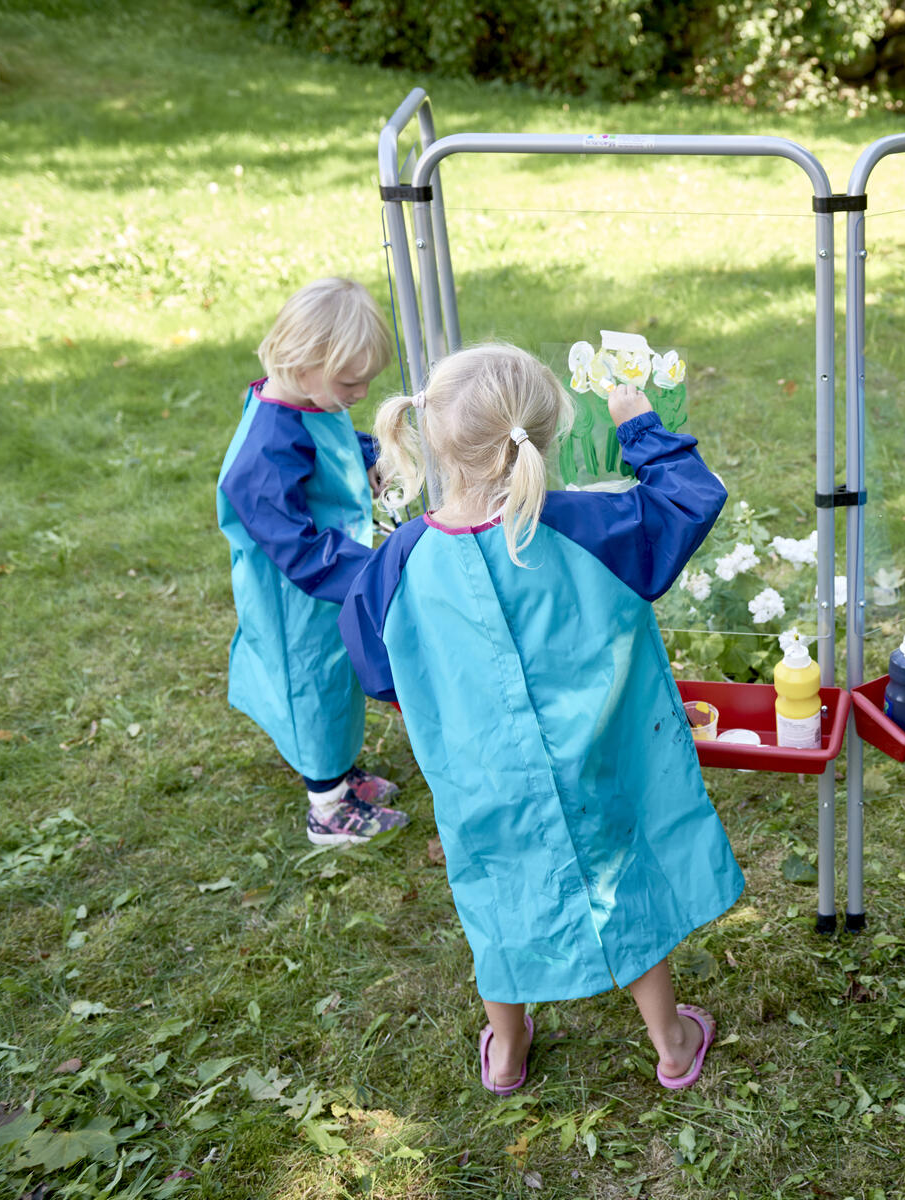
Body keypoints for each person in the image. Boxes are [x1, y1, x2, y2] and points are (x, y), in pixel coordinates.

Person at [339, 343, 739, 1093]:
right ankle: (671, 1042)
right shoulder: (590, 526)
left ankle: (508, 1049)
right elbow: (691, 496)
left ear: (435, 438)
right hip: (599, 763)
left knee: (494, 894)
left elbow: (376, 670)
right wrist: (638, 422)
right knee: (623, 877)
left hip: (479, 776)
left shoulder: (396, 563)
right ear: (545, 435)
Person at [217, 277, 410, 846]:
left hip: (329, 582)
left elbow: (334, 442)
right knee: (313, 689)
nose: (362, 392)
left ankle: (341, 776)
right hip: (297, 596)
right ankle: (327, 807)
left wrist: (371, 456)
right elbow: (296, 546)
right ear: (302, 366)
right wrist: (372, 575)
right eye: (351, 382)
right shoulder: (266, 447)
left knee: (339, 676)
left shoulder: (308, 400)